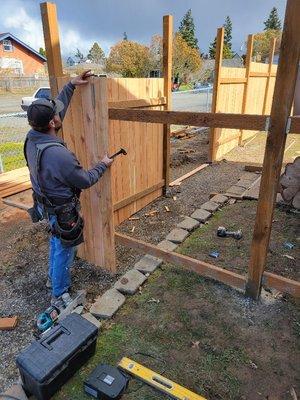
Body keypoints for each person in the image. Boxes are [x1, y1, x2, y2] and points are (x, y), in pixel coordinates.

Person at [24, 70, 113, 307]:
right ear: (52, 123)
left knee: (56, 241)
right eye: (55, 113)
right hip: (63, 210)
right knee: (64, 248)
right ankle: (59, 295)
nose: (58, 114)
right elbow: (84, 180)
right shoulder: (59, 155)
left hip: (47, 205)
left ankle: (53, 280)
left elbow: (56, 114)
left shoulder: (33, 138)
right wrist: (102, 165)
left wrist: (71, 85)